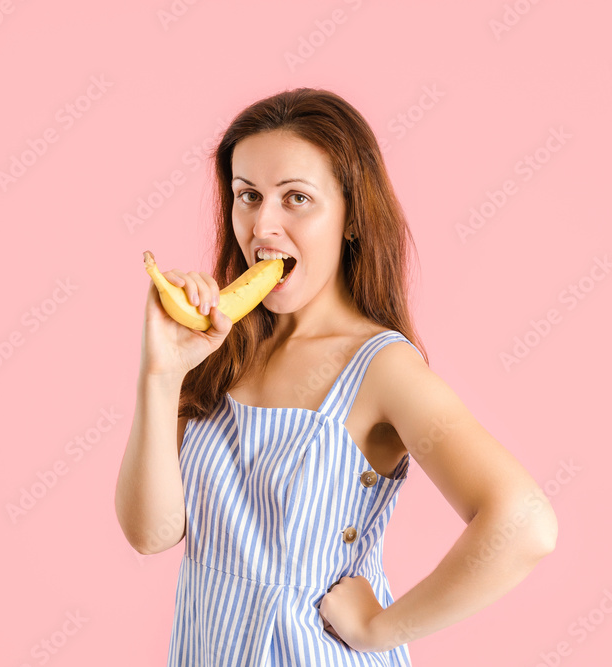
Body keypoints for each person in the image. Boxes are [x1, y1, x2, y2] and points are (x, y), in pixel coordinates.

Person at [114, 87, 558, 665]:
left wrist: (383, 628)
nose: (262, 224)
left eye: (295, 197)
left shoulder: (382, 368)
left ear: (351, 217)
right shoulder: (221, 352)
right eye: (247, 195)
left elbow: (526, 525)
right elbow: (152, 534)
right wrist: (161, 375)